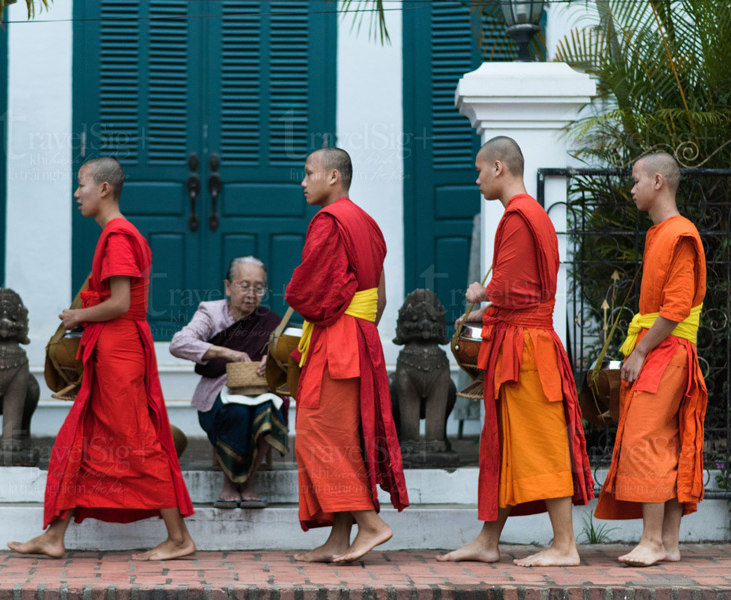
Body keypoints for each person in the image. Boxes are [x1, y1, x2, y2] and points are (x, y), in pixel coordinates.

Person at [8, 157, 195, 560]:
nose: (77, 193)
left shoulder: (118, 236)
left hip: (120, 351)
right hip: (115, 348)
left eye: (82, 184)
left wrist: (78, 316)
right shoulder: (117, 234)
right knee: (86, 439)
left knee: (137, 441)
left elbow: (121, 303)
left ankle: (179, 538)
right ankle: (55, 535)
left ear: (105, 189)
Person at [438, 136, 593, 567]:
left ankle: (565, 545)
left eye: (479, 170)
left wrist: (481, 292)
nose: (477, 180)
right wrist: (486, 315)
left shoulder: (519, 215)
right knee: (506, 444)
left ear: (498, 168)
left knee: (542, 443)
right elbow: (527, 293)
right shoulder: (530, 213)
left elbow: (511, 287)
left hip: (527, 350)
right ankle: (488, 541)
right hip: (521, 339)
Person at [286, 147, 409, 564]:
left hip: (336, 342)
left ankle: (370, 524)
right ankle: (339, 538)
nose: (303, 182)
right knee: (346, 439)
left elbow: (310, 293)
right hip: (362, 337)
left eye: (309, 173)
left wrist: (303, 301)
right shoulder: (368, 223)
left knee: (316, 434)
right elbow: (381, 298)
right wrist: (361, 330)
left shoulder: (329, 221)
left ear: (333, 177)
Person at [594, 152, 707, 567]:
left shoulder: (680, 234)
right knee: (666, 442)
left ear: (658, 181)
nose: (632, 188)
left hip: (667, 351)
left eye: (637, 179)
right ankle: (669, 543)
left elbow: (676, 308)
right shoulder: (662, 232)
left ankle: (652, 541)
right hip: (661, 348)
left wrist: (641, 351)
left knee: (644, 438)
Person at [169, 256, 288, 509]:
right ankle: (229, 483)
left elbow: (293, 354)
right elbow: (179, 344)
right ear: (228, 286)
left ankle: (249, 482)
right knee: (238, 412)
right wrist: (226, 352)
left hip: (259, 392)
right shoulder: (210, 313)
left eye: (258, 288)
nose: (251, 294)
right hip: (217, 397)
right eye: (244, 286)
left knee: (269, 411)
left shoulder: (270, 322)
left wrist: (273, 359)